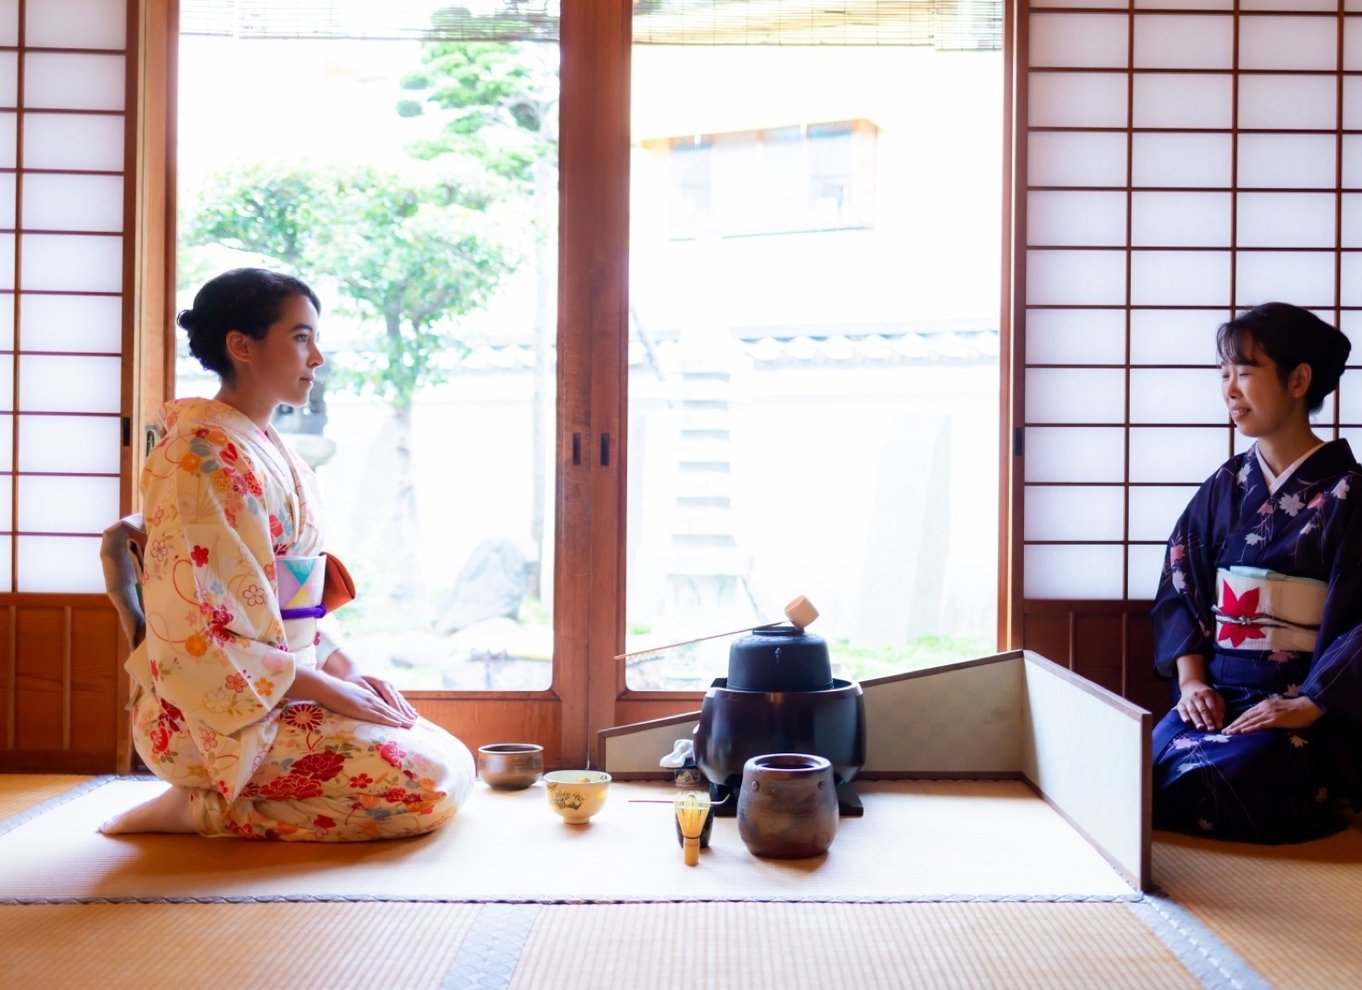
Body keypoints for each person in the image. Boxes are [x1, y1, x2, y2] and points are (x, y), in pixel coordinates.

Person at [100, 268, 475, 840]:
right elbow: (203, 629)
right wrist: (331, 690)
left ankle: (214, 805)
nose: (317, 357)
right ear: (241, 346)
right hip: (211, 715)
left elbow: (295, 602)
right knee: (427, 785)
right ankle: (202, 808)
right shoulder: (200, 458)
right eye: (301, 337)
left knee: (451, 758)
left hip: (284, 686)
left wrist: (351, 672)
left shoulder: (268, 449)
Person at [1151, 301, 1362, 842]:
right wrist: (1193, 683)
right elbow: (1180, 584)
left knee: (1252, 773)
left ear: (1298, 380)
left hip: (1305, 706)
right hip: (1221, 697)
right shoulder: (1225, 486)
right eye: (1224, 375)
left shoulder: (1349, 493)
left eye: (1244, 373)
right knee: (1145, 766)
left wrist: (1309, 703)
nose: (1230, 390)